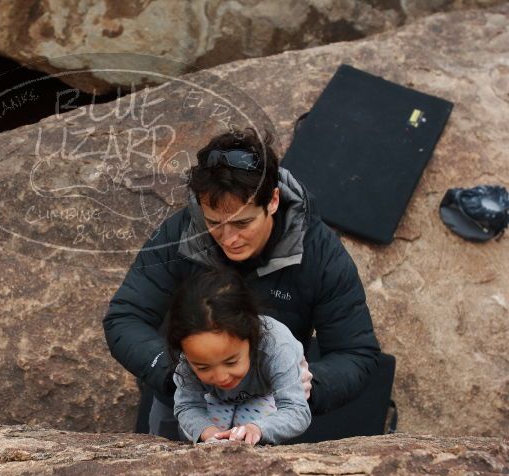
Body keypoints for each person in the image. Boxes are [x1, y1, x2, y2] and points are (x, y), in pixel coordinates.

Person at [103, 127, 385, 441]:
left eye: (242, 222)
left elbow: (356, 353)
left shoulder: (320, 254)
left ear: (273, 200)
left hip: (268, 408)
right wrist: (176, 374)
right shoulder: (179, 234)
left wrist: (308, 382)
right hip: (183, 398)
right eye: (214, 223)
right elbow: (124, 317)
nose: (229, 239)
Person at [167, 268, 311, 444]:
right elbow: (187, 406)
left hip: (268, 394)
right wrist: (209, 433)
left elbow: (296, 410)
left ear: (251, 337)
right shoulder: (188, 353)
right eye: (202, 367)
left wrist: (257, 429)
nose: (221, 377)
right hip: (216, 399)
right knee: (205, 435)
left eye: (231, 361)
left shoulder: (276, 345)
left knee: (248, 437)